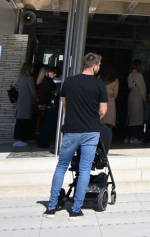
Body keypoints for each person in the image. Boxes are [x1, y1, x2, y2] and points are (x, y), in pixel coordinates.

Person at [45, 53, 108, 219]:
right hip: (91, 131)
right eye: (99, 65)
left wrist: (72, 120)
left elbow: (65, 105)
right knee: (85, 169)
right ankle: (76, 209)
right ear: (95, 66)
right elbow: (103, 110)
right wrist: (94, 120)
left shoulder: (69, 82)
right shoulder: (99, 85)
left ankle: (51, 207)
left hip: (72, 130)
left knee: (61, 166)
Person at [36, 66, 60, 149]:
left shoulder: (41, 80)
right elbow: (55, 89)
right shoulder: (48, 81)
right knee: (49, 124)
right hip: (52, 103)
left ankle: (42, 142)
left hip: (47, 104)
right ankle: (45, 142)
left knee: (46, 123)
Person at [14, 63, 38, 147]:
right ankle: (22, 139)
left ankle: (17, 139)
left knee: (19, 121)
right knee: (25, 121)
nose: (33, 70)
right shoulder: (29, 78)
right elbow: (33, 90)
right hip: (27, 102)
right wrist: (36, 98)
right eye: (32, 68)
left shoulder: (21, 78)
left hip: (21, 102)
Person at [125, 60, 147, 144]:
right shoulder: (138, 75)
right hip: (137, 96)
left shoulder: (130, 75)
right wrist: (144, 98)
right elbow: (142, 87)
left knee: (130, 116)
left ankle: (128, 136)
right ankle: (134, 137)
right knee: (137, 117)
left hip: (131, 95)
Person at [101, 66, 119, 135]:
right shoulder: (115, 80)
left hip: (100, 100)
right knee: (109, 122)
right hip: (111, 101)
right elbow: (115, 93)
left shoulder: (100, 78)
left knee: (101, 120)